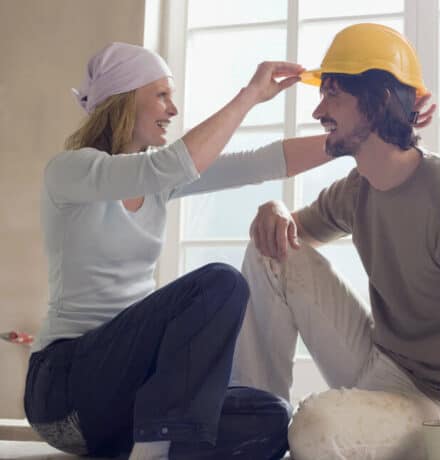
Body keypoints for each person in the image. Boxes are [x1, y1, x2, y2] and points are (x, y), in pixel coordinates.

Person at [231, 23, 440, 460]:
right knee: (268, 249)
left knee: (315, 429)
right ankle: (253, 435)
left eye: (333, 93)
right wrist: (274, 211)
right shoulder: (359, 187)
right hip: (380, 359)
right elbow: (289, 239)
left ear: (378, 103)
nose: (318, 111)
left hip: (437, 403)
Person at [24, 42, 338, 460]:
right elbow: (169, 165)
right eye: (161, 95)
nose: (173, 109)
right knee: (220, 284)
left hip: (125, 406)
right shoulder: (72, 170)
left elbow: (257, 163)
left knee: (270, 418)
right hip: (64, 392)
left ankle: (148, 445)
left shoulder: (159, 178)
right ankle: (155, 451)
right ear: (122, 100)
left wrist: (353, 139)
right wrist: (249, 96)